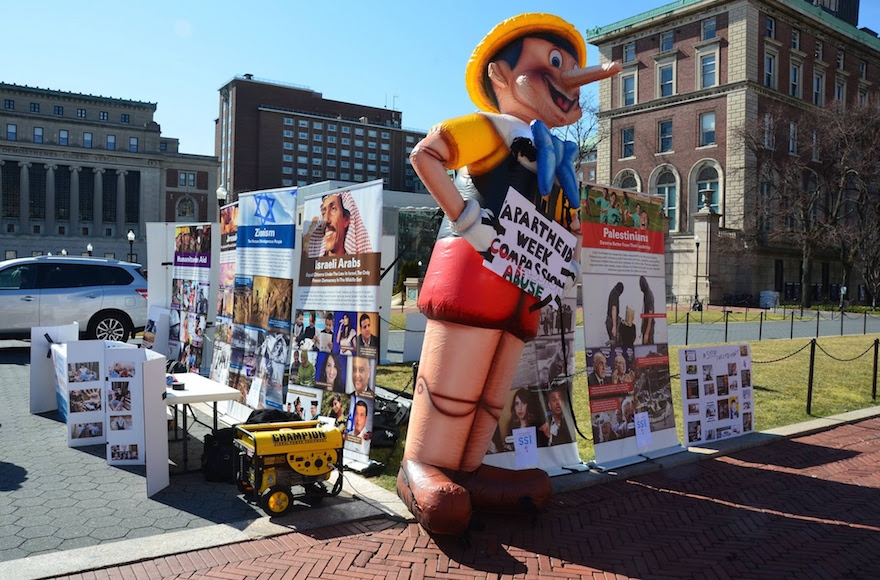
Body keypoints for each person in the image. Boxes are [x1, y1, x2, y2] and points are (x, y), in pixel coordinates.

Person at [399, 13, 620, 535]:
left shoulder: (560, 159)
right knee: (454, 383)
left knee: (491, 391)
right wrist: (468, 221)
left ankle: (468, 469)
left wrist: (559, 267)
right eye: (551, 63)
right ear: (500, 75)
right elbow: (426, 155)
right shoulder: (493, 130)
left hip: (524, 287)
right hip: (474, 274)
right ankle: (421, 466)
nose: (565, 77)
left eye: (566, 64)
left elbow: (560, 224)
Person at [306, 191, 373, 257]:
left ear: (346, 219)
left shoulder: (356, 266)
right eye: (323, 213)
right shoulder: (316, 266)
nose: (326, 220)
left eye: (333, 209)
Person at [605, 282, 624, 347]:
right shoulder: (615, 294)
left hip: (609, 320)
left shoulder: (612, 292)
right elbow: (614, 309)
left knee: (614, 341)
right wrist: (614, 326)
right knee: (615, 343)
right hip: (611, 321)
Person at [639, 275, 655, 345]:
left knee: (648, 345)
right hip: (645, 325)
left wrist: (647, 333)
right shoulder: (646, 294)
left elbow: (651, 315)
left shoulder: (648, 295)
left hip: (648, 326)